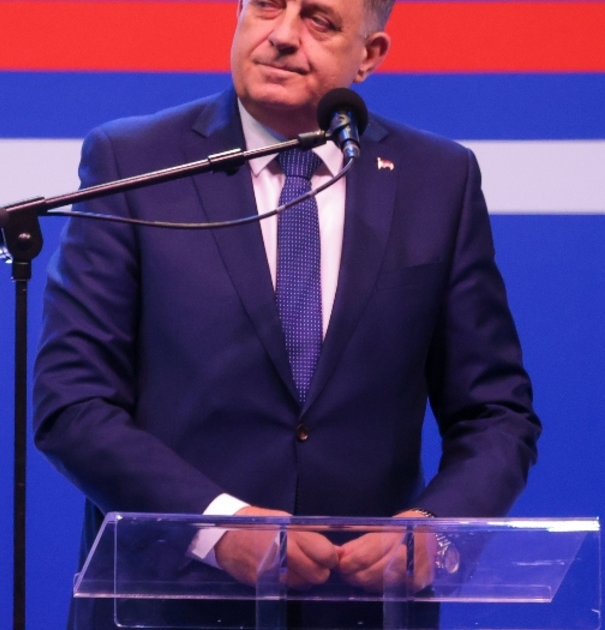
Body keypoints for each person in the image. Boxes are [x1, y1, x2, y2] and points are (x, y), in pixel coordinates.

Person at [33, 0, 541, 626]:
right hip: (167, 606)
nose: (281, 35)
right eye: (267, 6)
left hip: (363, 609)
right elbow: (72, 402)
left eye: (318, 20)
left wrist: (433, 530)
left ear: (369, 55)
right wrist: (217, 525)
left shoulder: (437, 179)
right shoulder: (133, 163)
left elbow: (496, 413)